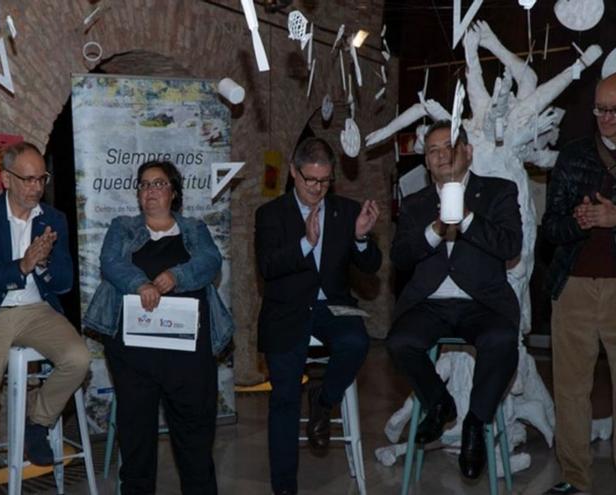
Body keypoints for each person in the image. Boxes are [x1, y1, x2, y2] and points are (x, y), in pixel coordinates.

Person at [84, 160, 234, 494]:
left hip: (188, 355)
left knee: (195, 440)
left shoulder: (194, 229)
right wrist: (140, 284)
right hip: (134, 354)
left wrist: (174, 276)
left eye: (159, 184)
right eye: (144, 185)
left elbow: (210, 262)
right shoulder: (122, 227)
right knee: (136, 440)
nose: (150, 191)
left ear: (174, 192)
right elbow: (110, 263)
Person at [386, 121, 522, 480]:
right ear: (427, 162)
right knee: (400, 342)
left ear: (467, 152)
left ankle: (476, 422)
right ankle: (440, 402)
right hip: (430, 303)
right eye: (432, 150)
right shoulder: (415, 203)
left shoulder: (498, 192)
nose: (441, 154)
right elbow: (399, 257)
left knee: (502, 340)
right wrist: (433, 232)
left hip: (483, 302)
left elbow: (511, 246)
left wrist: (468, 219)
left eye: (448, 146)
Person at [0, 141, 91, 495]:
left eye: (41, 179)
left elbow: (64, 284)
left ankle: (39, 421)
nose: (36, 187)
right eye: (28, 179)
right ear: (6, 178)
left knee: (79, 359)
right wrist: (21, 266)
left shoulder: (54, 219)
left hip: (37, 311)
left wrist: (44, 264)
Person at [254, 137, 381, 495]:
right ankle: (284, 489)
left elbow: (372, 267)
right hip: (287, 311)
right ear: (294, 173)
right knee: (284, 398)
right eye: (310, 180)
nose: (317, 188)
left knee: (357, 341)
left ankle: (324, 402)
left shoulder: (345, 210)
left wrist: (360, 238)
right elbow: (267, 267)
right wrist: (305, 244)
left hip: (332, 307)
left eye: (325, 181)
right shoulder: (270, 214)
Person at [541, 73, 616, 495]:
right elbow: (550, 227)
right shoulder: (572, 157)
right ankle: (574, 479)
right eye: (599, 110)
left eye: (613, 111)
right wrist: (577, 222)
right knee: (570, 390)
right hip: (573, 288)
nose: (605, 119)